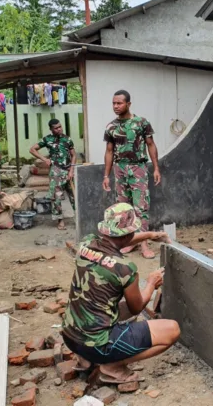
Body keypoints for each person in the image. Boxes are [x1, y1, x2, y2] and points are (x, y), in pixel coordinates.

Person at [61, 203, 180, 383]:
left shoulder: (86, 244)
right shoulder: (124, 269)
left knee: (108, 307)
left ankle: (85, 359)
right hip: (98, 345)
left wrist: (148, 235)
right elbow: (137, 307)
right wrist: (151, 283)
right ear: (129, 233)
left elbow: (118, 241)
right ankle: (112, 365)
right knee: (172, 330)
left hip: (70, 337)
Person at [102, 90, 161, 259]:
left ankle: (143, 244)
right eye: (113, 103)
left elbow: (151, 144)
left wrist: (156, 168)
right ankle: (128, 242)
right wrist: (106, 176)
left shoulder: (141, 123)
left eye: (119, 103)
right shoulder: (111, 126)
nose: (115, 106)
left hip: (138, 168)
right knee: (123, 208)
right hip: (119, 169)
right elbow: (109, 151)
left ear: (128, 104)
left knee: (141, 207)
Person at [29, 119, 76, 230]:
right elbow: (32, 149)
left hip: (68, 170)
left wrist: (72, 170)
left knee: (74, 195)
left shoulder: (67, 139)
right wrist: (44, 159)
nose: (59, 129)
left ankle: (79, 218)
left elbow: (73, 155)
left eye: (60, 127)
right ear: (51, 129)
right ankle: (60, 221)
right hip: (56, 171)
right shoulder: (47, 139)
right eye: (56, 128)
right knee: (57, 197)